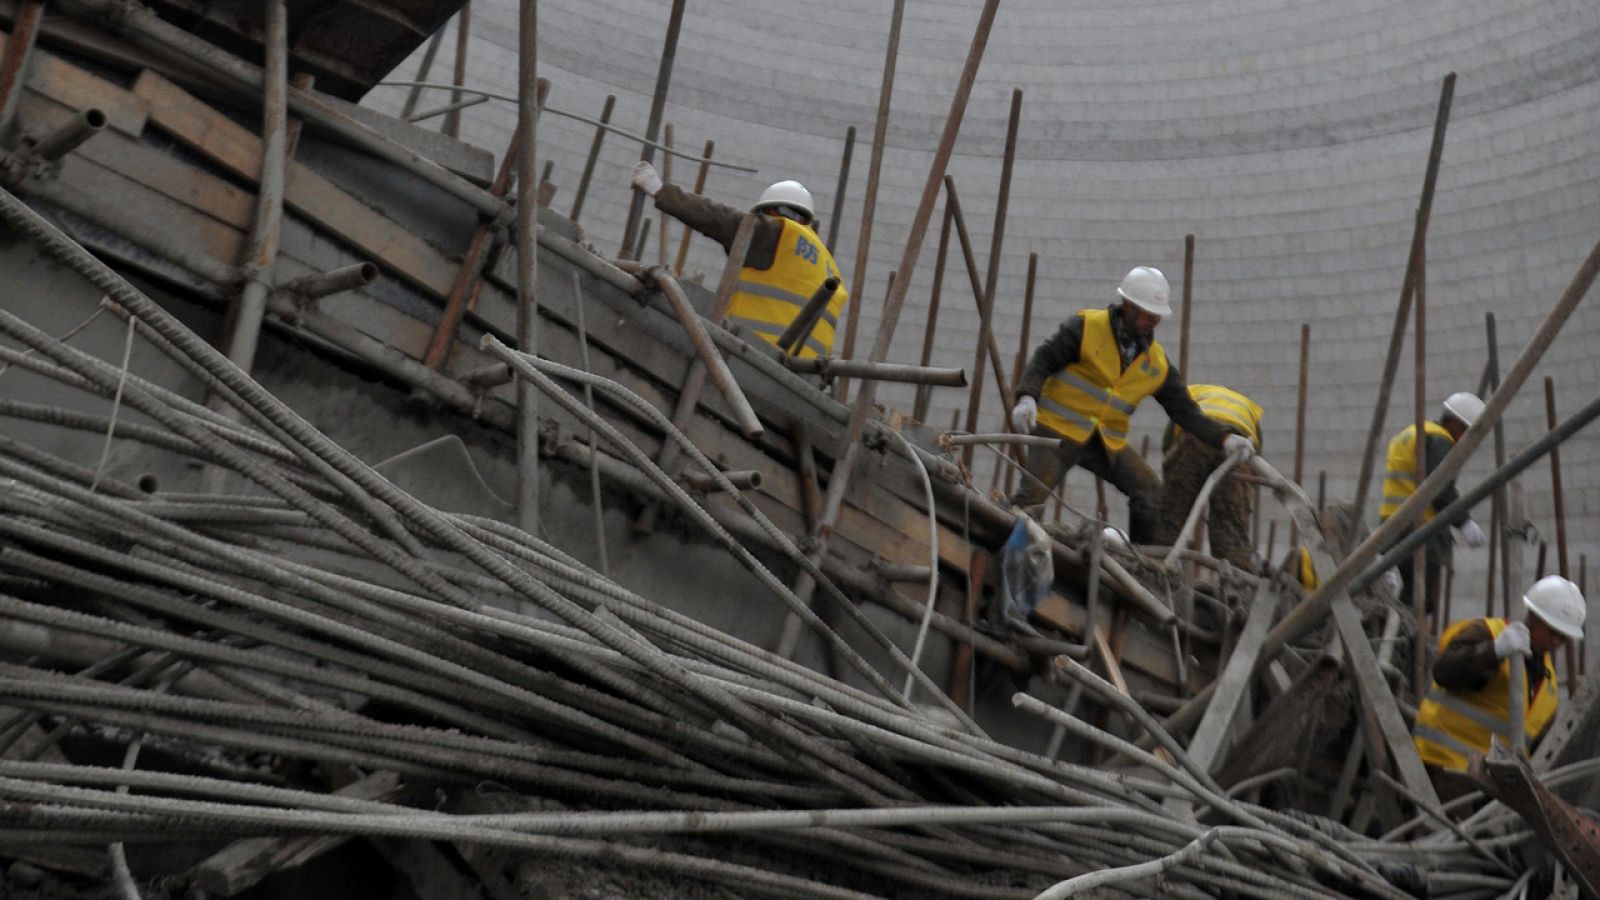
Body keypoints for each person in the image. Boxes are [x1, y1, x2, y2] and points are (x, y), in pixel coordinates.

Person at [1009, 266, 1254, 542]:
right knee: (1031, 501)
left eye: (1157, 316)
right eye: (1149, 315)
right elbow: (1045, 358)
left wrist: (1224, 439)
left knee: (1149, 490)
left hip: (1105, 442)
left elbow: (1185, 411)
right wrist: (1027, 396)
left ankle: (1140, 563)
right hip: (1057, 433)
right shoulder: (1087, 327)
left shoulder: (1156, 363)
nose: (1154, 322)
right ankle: (1009, 548)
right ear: (1128, 306)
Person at [630, 162, 847, 359]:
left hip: (754, 355)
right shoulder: (828, 265)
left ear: (771, 211)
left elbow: (719, 219)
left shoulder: (777, 233)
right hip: (801, 377)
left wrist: (661, 191)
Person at [1412, 576, 1586, 800]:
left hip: (1494, 785)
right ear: (1533, 616)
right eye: (1552, 631)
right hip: (1444, 766)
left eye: (1563, 637)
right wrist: (1494, 651)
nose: (1556, 641)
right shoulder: (1489, 633)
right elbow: (1444, 671)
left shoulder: (1548, 682)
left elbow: (1539, 744)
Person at [1380, 392, 1489, 615]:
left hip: (1393, 524)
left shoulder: (1411, 433)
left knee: (1410, 593)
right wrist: (1464, 522)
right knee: (1422, 599)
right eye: (1467, 433)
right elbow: (1439, 487)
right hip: (1421, 527)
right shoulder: (1440, 440)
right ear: (1457, 425)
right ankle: (1408, 643)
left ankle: (1398, 632)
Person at [1153, 383, 1263, 568]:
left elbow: (1169, 444)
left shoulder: (1190, 395)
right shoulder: (1248, 409)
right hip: (1238, 446)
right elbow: (1254, 456)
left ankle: (1158, 573)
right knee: (1231, 533)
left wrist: (1175, 481)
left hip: (1195, 436)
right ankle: (1237, 585)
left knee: (1170, 520)